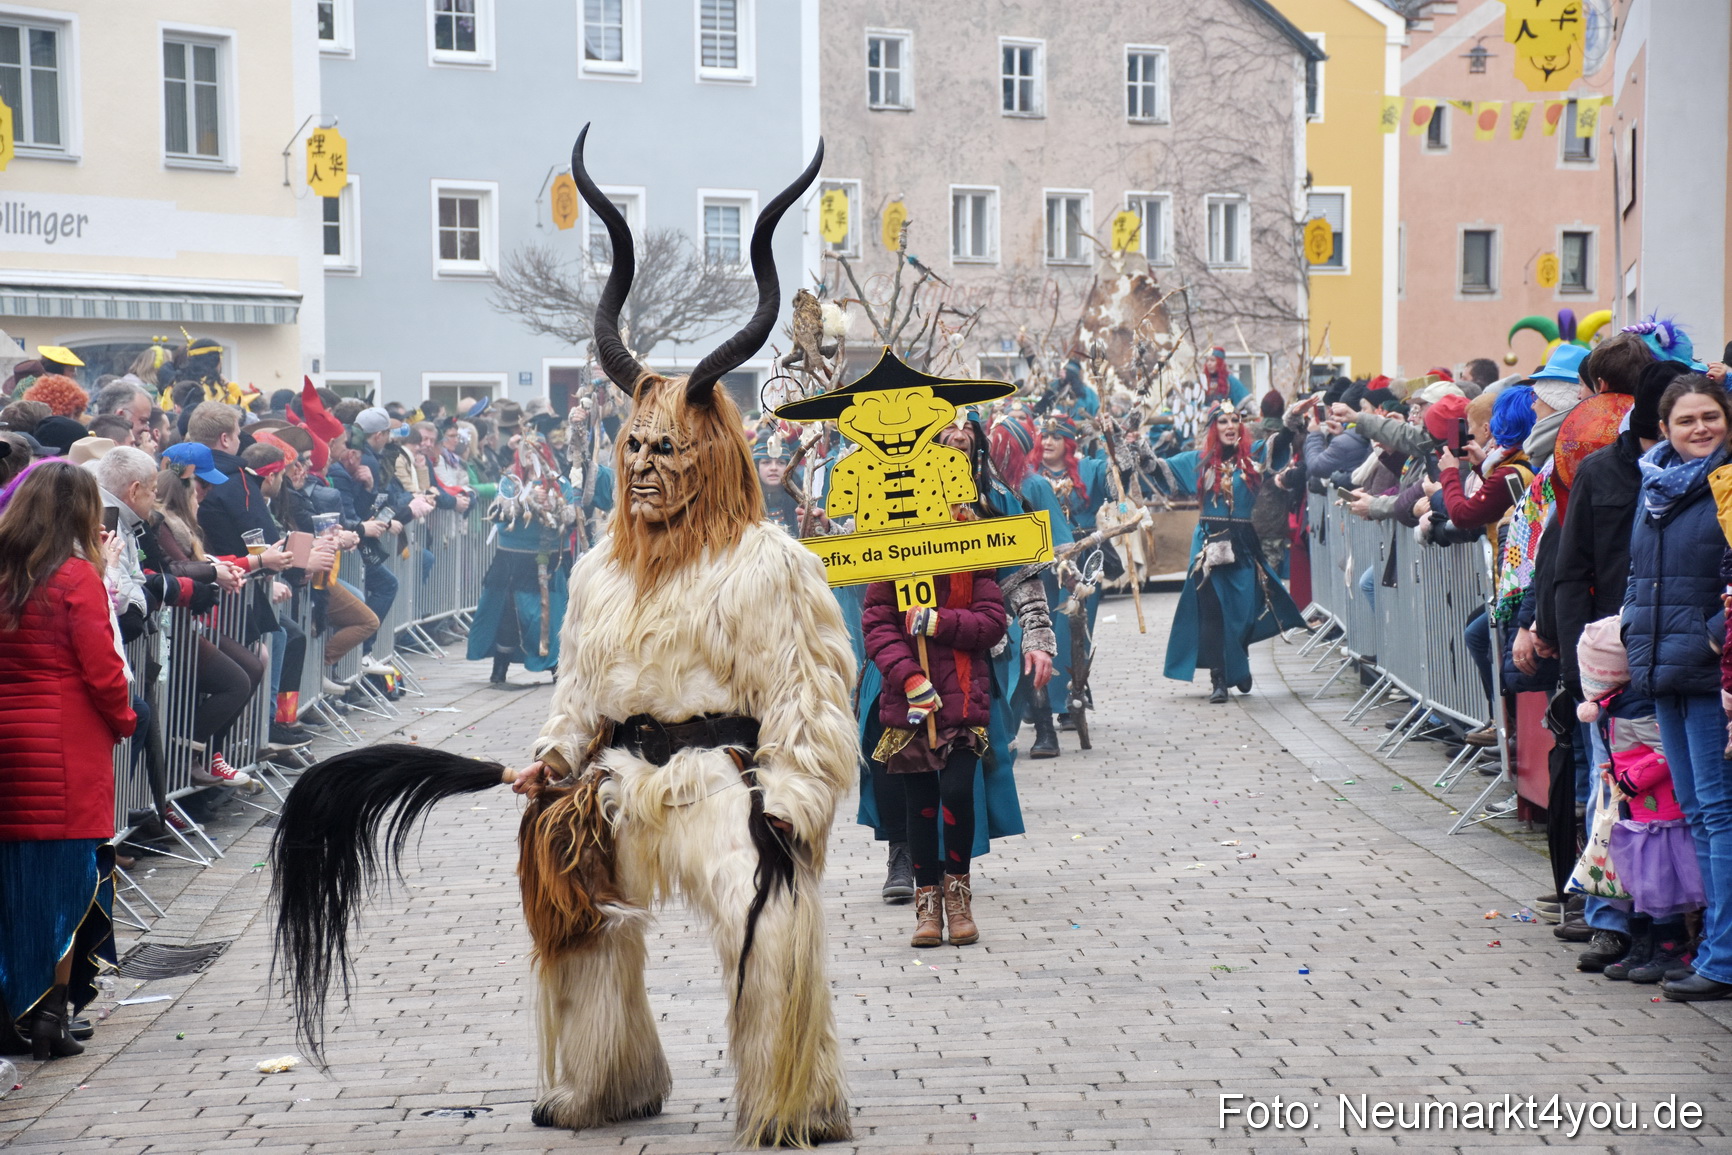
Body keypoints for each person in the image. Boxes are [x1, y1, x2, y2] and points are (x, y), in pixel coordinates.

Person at [0, 461, 135, 1059]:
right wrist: (126, 720)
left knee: (12, 883)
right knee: (65, 883)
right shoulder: (75, 575)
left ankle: (12, 1008)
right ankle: (52, 1011)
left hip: (8, 737)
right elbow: (102, 669)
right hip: (63, 741)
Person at [1623, 375, 1732, 1001]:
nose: (1699, 429)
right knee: (1696, 814)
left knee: (1718, 814)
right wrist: (1635, 625)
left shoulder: (1727, 483)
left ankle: (1722, 957)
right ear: (1663, 429)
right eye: (1686, 420)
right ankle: (1713, 947)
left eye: (1710, 417)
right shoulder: (1655, 484)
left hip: (1710, 669)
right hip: (1663, 664)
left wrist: (1718, 633)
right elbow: (1642, 573)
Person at [863, 564, 1006, 946]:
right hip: (910, 704)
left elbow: (991, 623)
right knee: (920, 803)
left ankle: (958, 899)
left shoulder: (971, 554)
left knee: (958, 792)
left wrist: (938, 621)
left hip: (961, 701)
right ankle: (928, 906)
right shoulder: (888, 560)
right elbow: (878, 628)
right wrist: (909, 677)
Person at [1160, 404, 1306, 701]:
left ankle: (1238, 662)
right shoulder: (1198, 462)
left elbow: (1281, 443)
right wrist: (1132, 447)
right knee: (1212, 612)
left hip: (1242, 543)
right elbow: (1158, 469)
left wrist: (1291, 420)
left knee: (1242, 613)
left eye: (1235, 420)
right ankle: (1219, 678)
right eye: (1223, 421)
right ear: (1214, 428)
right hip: (1207, 543)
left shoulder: (1253, 457)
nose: (1230, 426)